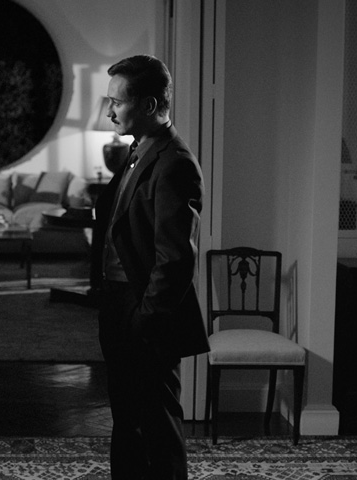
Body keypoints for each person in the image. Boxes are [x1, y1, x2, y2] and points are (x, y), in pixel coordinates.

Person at [94, 55, 210, 479]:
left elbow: (176, 259)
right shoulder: (137, 151)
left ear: (148, 105)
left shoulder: (174, 161)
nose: (109, 111)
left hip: (146, 312)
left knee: (157, 424)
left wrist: (144, 319)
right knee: (128, 420)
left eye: (117, 102)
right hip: (119, 303)